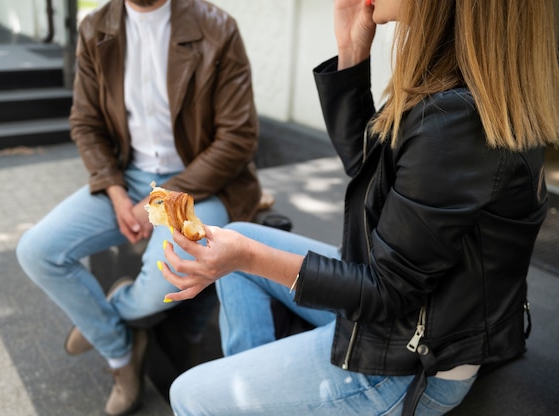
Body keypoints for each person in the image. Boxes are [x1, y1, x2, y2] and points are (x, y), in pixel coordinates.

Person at [160, 0, 559, 415]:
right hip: (402, 317)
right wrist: (352, 53)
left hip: (410, 361)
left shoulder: (456, 120)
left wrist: (245, 256)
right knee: (244, 248)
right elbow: (372, 176)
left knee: (190, 394)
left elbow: (386, 291)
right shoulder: (450, 90)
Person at [15, 0, 261, 414]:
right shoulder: (96, 29)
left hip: (202, 184)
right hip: (128, 179)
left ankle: (107, 317)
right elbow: (86, 123)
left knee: (156, 291)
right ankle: (120, 354)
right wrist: (113, 190)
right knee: (36, 251)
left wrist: (164, 195)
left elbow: (238, 137)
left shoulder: (218, 28)